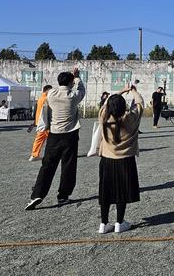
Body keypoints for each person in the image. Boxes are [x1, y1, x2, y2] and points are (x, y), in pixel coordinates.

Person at [25, 68, 85, 210]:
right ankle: (63, 195)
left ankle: (37, 194)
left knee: (47, 165)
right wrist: (77, 77)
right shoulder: (73, 96)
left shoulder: (51, 94)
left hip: (54, 134)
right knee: (68, 166)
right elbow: (82, 90)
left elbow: (47, 95)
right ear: (70, 83)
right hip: (70, 134)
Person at [97, 93, 142, 233]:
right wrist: (133, 91)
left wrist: (120, 91)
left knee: (105, 191)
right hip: (125, 159)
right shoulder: (130, 118)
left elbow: (105, 104)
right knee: (121, 191)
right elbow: (140, 104)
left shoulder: (104, 117)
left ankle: (103, 223)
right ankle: (119, 222)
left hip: (107, 159)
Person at [29, 85, 53, 161]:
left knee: (39, 139)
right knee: (53, 139)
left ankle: (34, 154)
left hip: (40, 122)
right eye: (50, 90)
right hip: (45, 123)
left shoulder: (40, 98)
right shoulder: (47, 99)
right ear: (47, 90)